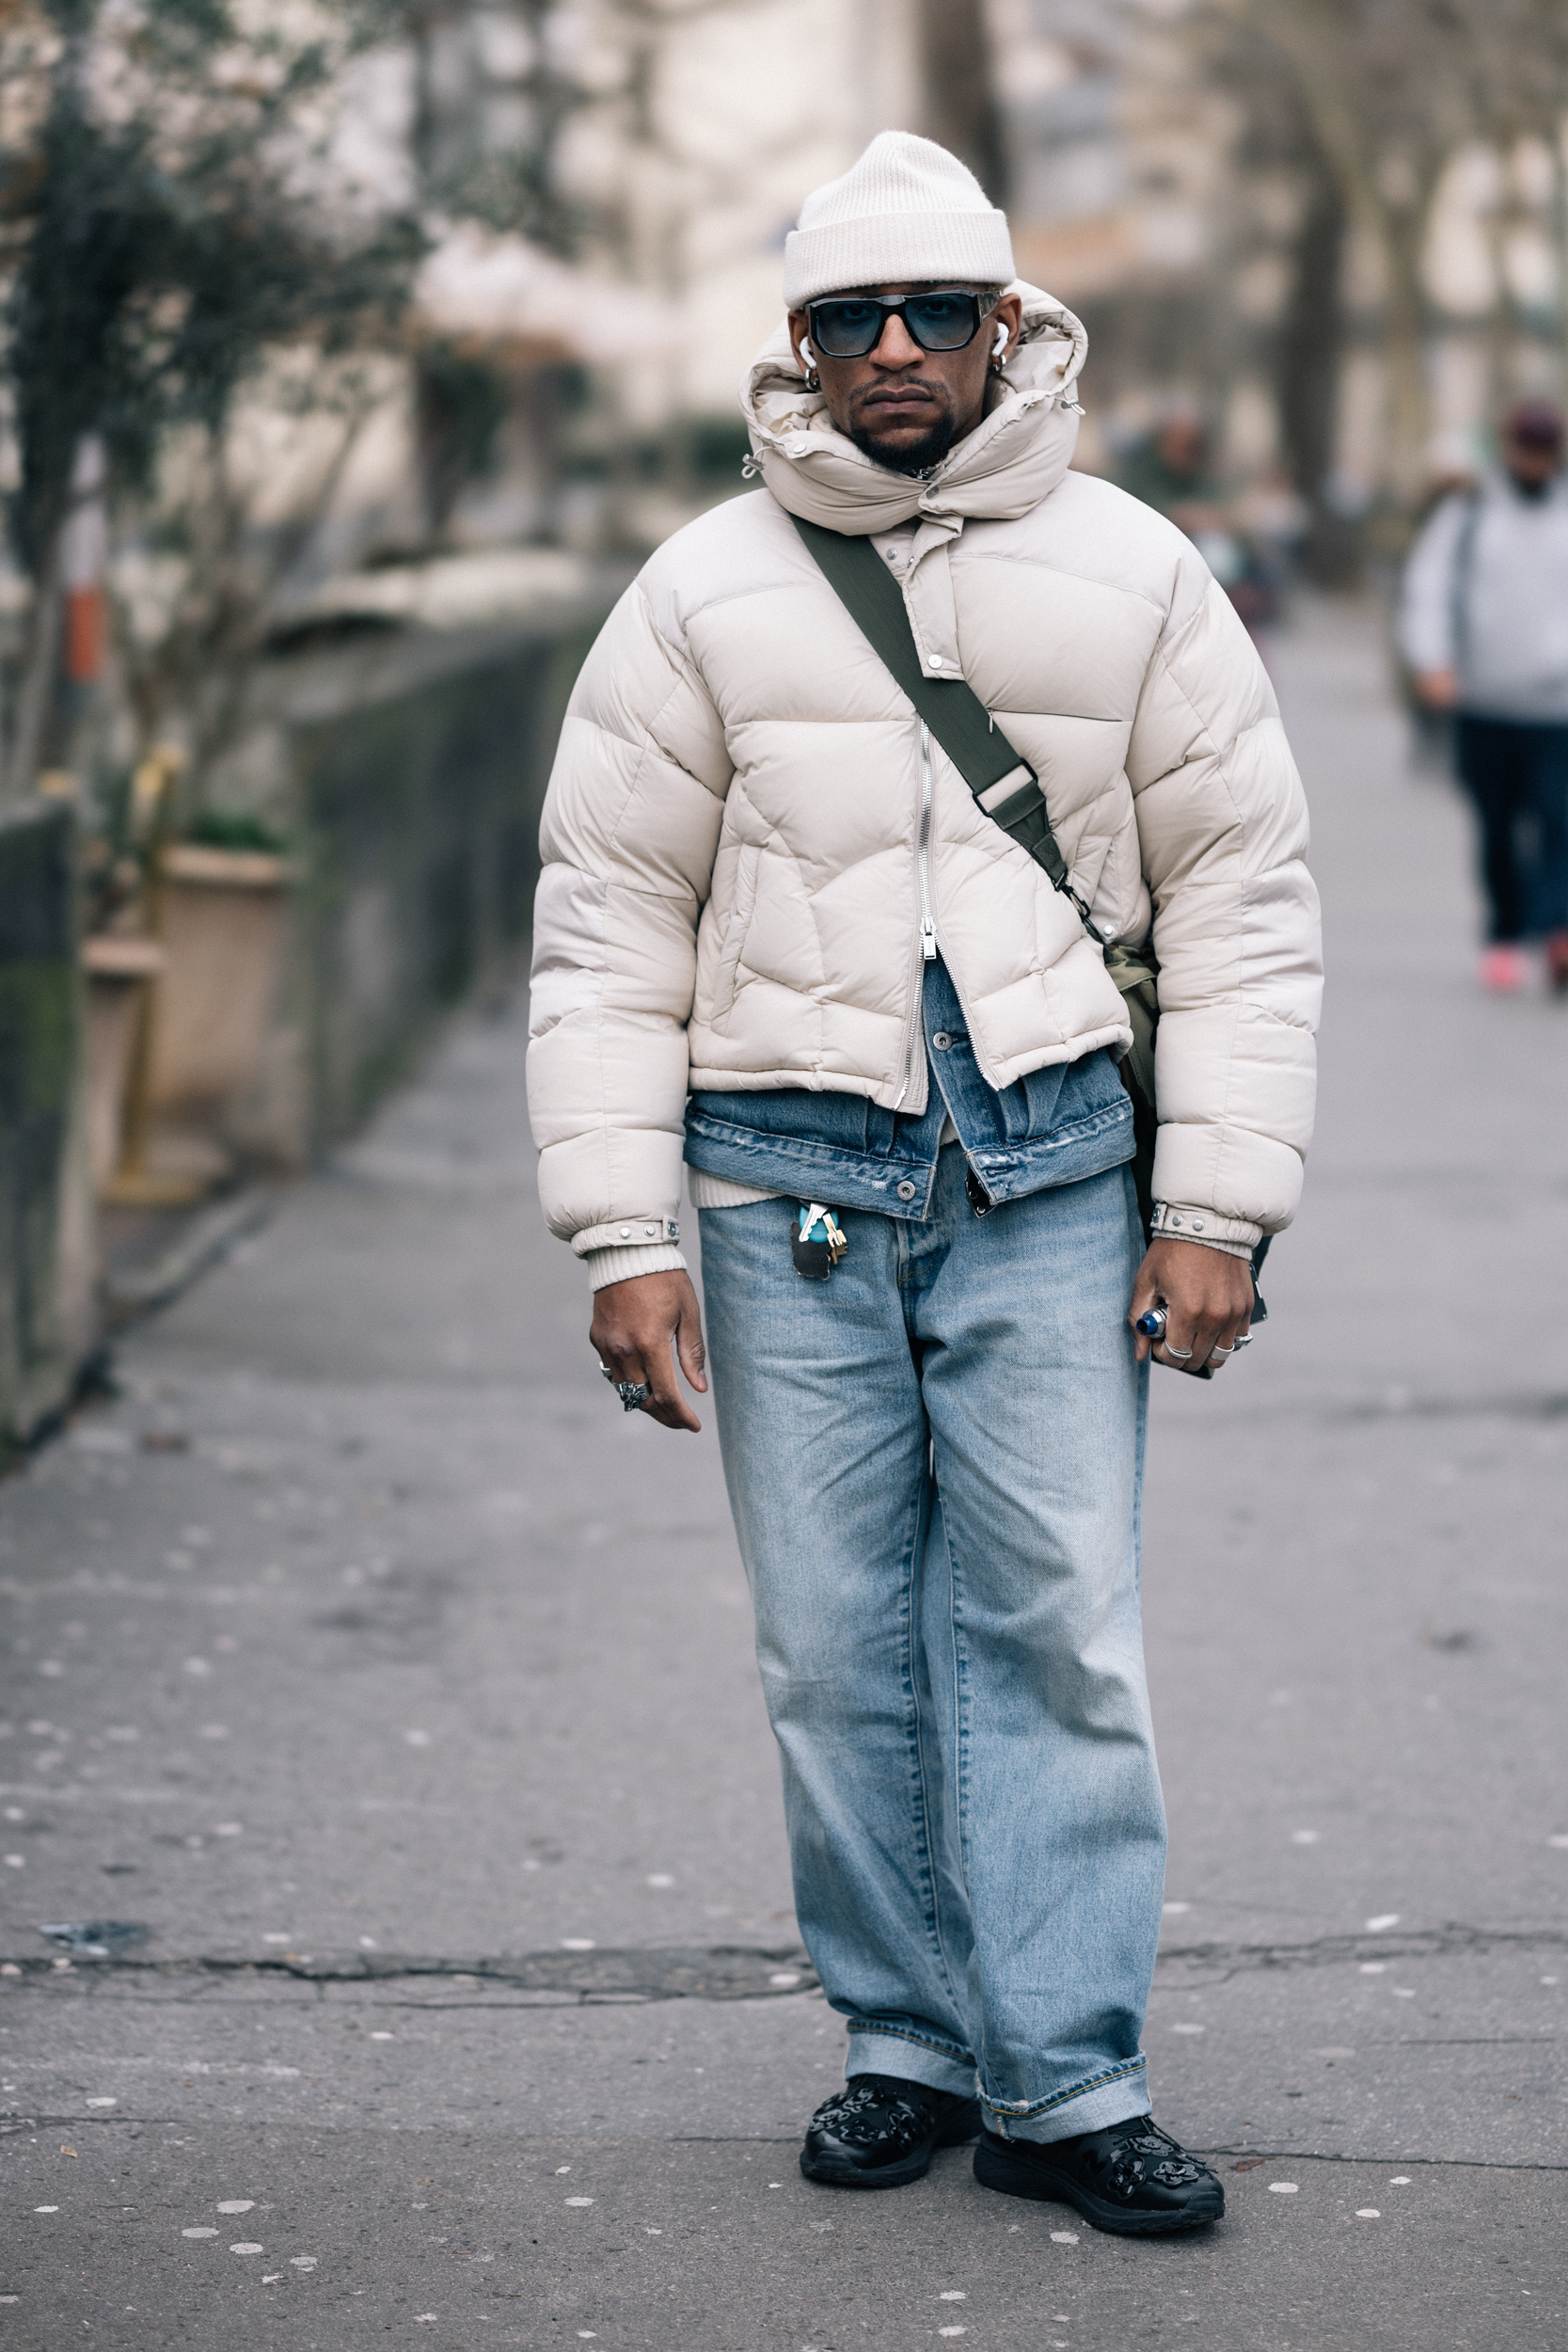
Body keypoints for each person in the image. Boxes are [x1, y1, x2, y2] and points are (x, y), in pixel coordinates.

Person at [527, 132, 1322, 2238]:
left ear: (1008, 330)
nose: (893, 350)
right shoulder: (695, 587)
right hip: (775, 1170)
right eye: (848, 317)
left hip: (1055, 1159)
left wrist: (1212, 1208)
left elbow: (1242, 901)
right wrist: (616, 1231)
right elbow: (604, 919)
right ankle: (901, 2036)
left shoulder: (1141, 572)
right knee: (829, 1641)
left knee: (1054, 1621)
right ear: (795, 346)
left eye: (934, 312)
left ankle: (1063, 2074)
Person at [1401, 398, 1568, 993]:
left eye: (1544, 452)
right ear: (1508, 449)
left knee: (1559, 821)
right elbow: (1429, 587)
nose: (1535, 462)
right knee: (1497, 828)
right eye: (1526, 449)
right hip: (1485, 701)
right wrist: (1432, 660)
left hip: (1556, 709)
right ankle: (1504, 931)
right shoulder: (1468, 514)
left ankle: (1556, 931)